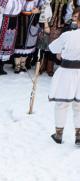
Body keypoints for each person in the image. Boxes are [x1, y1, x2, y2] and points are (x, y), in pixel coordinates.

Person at [47, 15, 80, 144]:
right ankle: (79, 135)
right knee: (79, 105)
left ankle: (59, 134)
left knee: (62, 104)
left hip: (67, 72)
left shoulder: (68, 35)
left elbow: (53, 48)